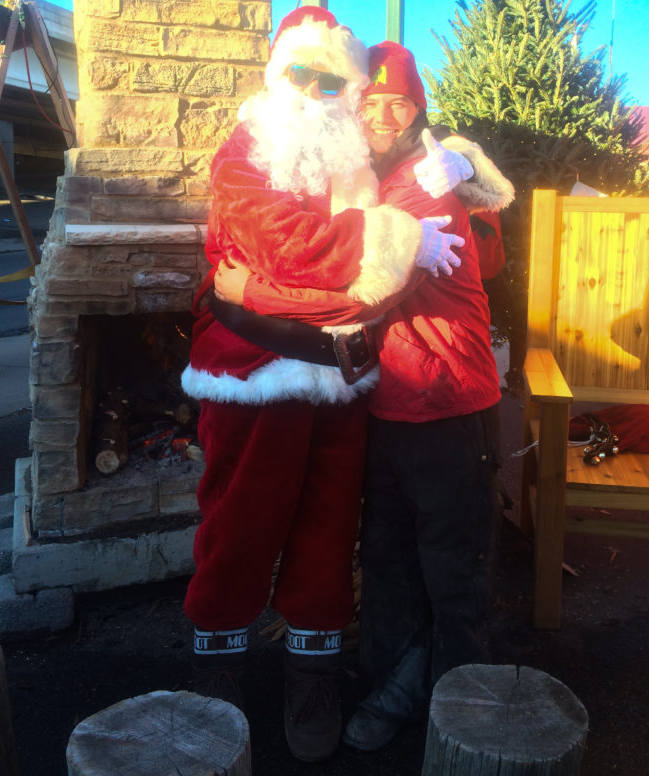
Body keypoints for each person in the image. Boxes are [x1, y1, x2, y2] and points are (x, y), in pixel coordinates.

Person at [214, 39, 515, 754]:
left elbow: (361, 290)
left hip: (447, 402)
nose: (381, 114)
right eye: (369, 101)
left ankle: (457, 713)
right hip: (388, 402)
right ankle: (396, 679)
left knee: (452, 565)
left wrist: (242, 293)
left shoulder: (421, 184)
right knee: (386, 557)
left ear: (416, 113)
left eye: (398, 103)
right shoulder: (365, 180)